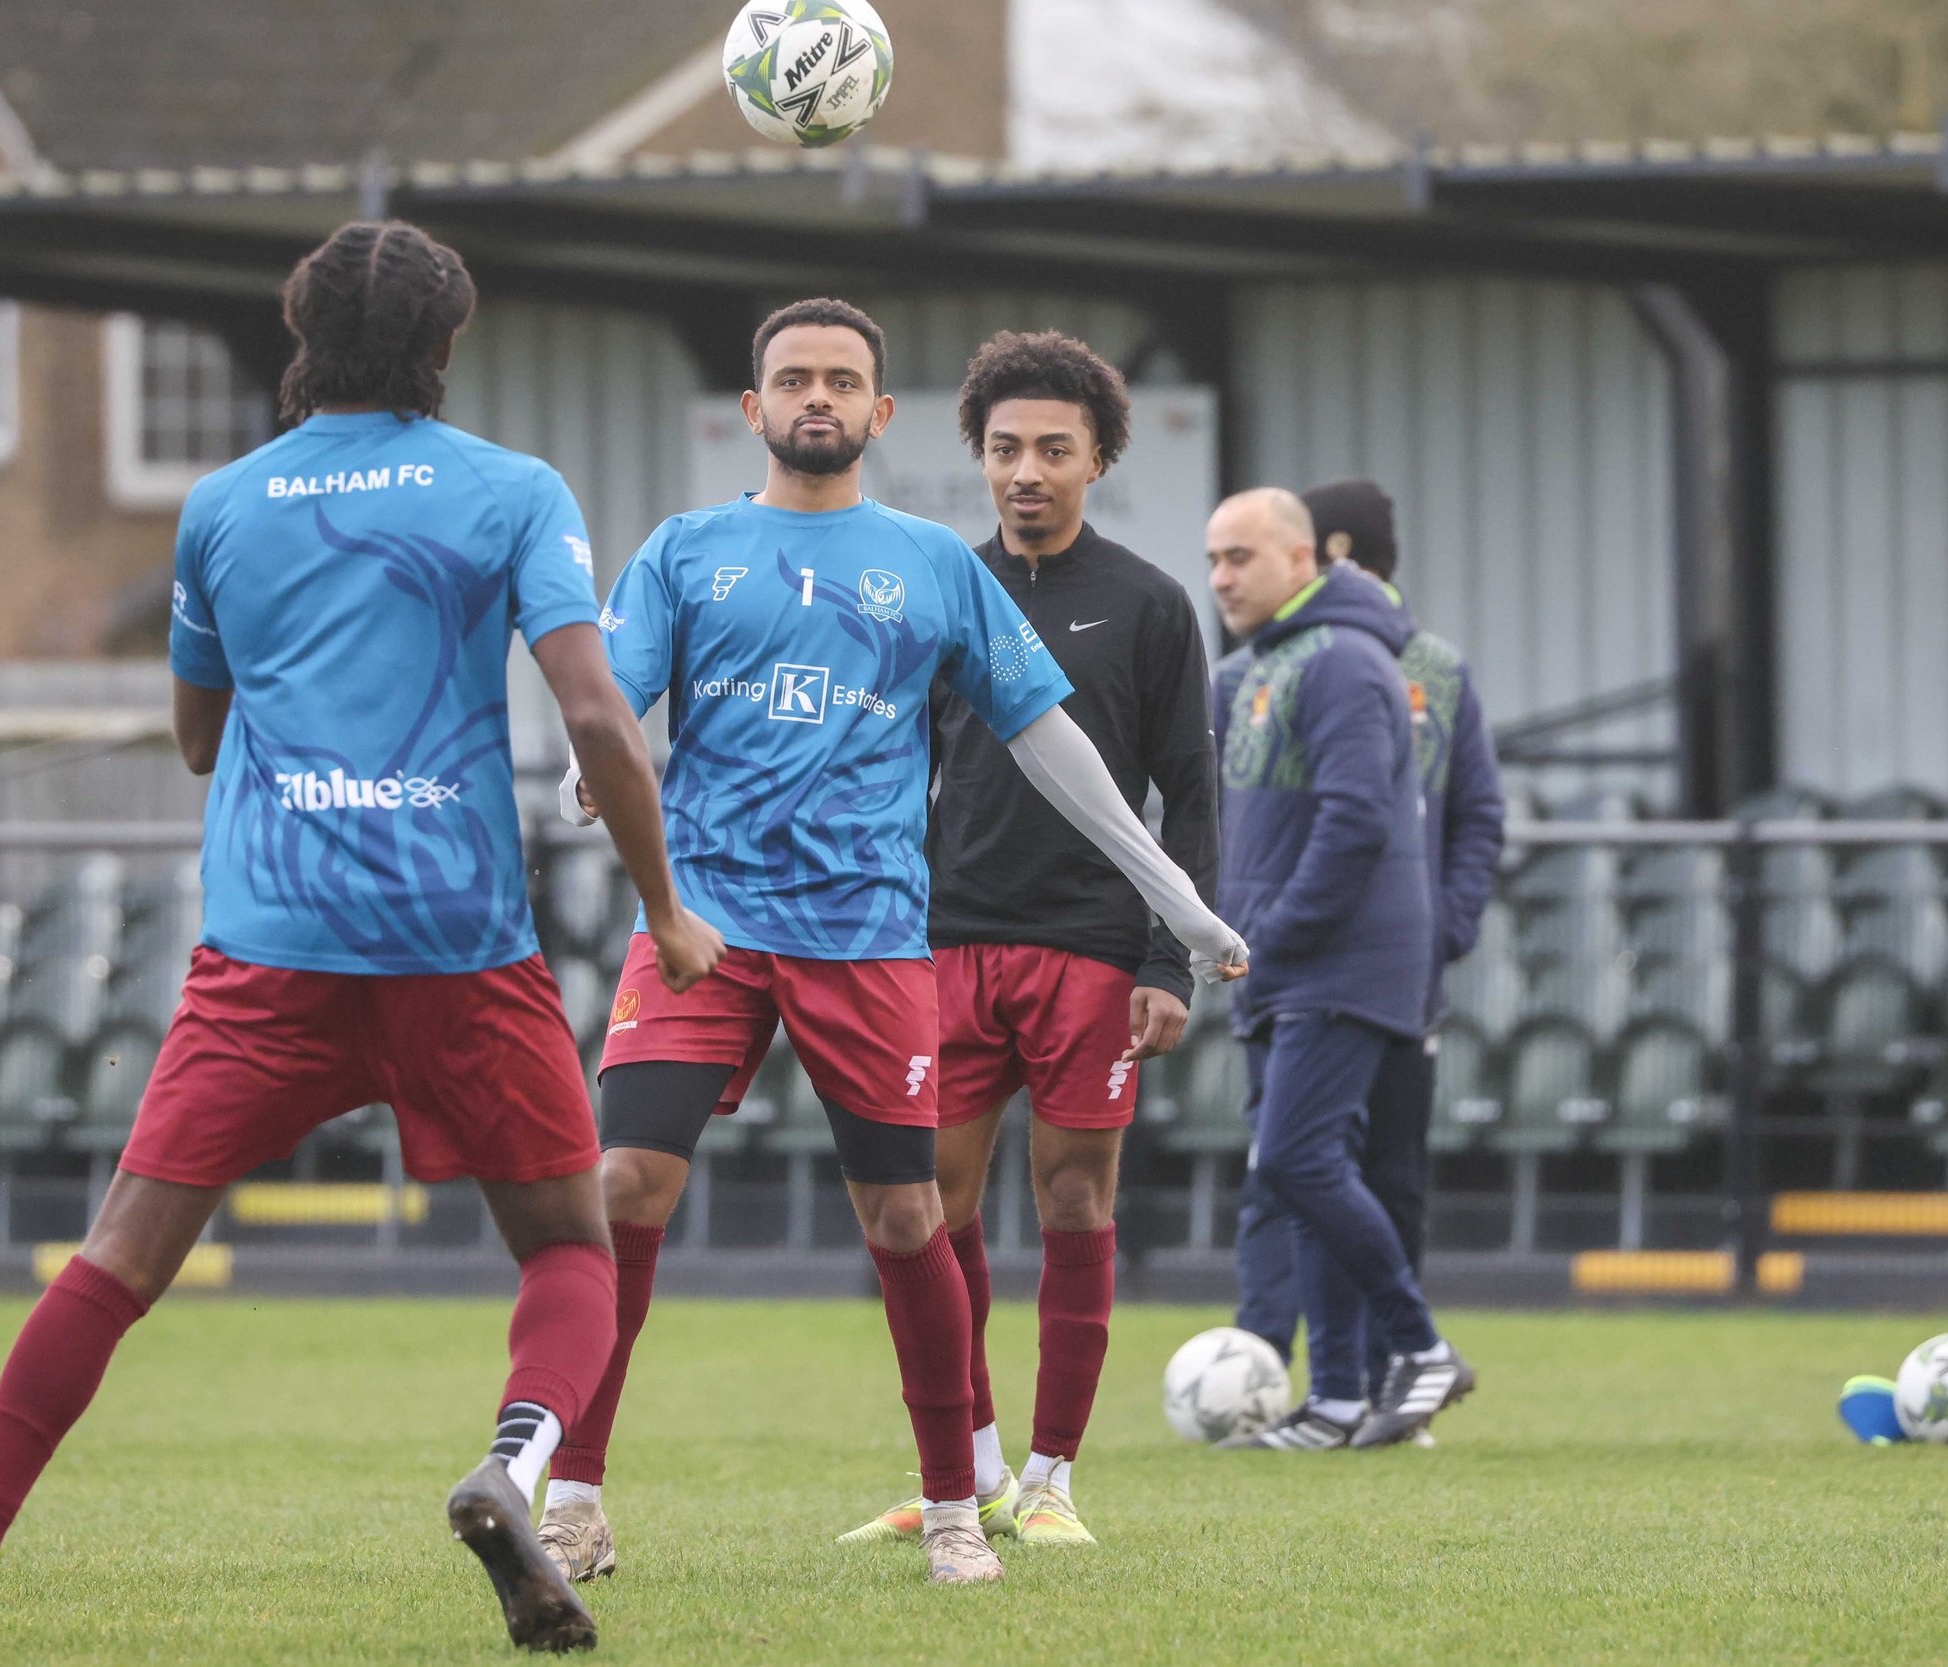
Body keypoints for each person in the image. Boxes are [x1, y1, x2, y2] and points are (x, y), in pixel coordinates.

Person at [0, 220, 722, 1655]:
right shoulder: (512, 490)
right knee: (569, 1247)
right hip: (456, 945)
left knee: (116, 1259)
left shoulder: (221, 505)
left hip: (269, 948)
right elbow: (594, 715)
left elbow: (200, 740)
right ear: (447, 347)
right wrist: (664, 908)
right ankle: (513, 1466)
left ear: (299, 333)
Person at [539, 300, 1246, 1587]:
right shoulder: (686, 550)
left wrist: (1178, 907)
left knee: (908, 1211)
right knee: (624, 1184)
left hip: (867, 936)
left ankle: (957, 1505)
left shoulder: (931, 563)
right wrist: (604, 771)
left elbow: (1053, 744)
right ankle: (573, 1500)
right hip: (705, 923)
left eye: (844, 379)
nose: (818, 396)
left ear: (880, 414)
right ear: (752, 410)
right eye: (793, 378)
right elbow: (610, 698)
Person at [833, 330, 1219, 1549]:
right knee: (929, 1207)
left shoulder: (1151, 605)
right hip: (941, 946)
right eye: (1005, 449)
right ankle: (973, 1468)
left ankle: (1055, 1477)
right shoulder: (938, 592)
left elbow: (1192, 796)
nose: (1027, 471)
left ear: (1098, 458)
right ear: (977, 459)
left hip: (1094, 950)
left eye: (1054, 448)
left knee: (1070, 1198)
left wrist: (1170, 959)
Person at [1227, 479, 1503, 1436]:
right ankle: (1338, 1392)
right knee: (1303, 1169)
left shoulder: (1348, 662)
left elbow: (1365, 819)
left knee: (1315, 1161)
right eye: (1214, 558)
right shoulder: (1263, 666)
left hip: (1339, 960)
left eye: (1240, 556)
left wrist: (1282, 930)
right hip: (1291, 961)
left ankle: (1418, 1352)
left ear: (1315, 555)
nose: (1219, 576)